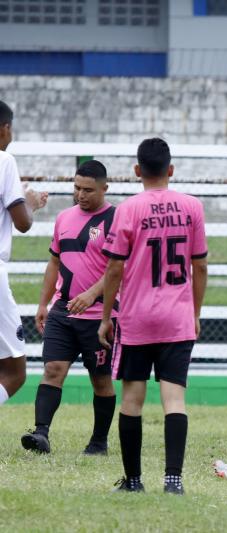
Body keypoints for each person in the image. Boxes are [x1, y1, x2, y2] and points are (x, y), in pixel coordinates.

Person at [98, 138, 208, 495]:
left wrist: (105, 317)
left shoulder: (127, 209)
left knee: (132, 399)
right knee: (174, 399)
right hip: (177, 318)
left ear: (137, 171)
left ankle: (133, 481)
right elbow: (200, 265)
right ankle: (173, 479)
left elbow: (115, 267)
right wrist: (195, 312)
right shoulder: (192, 207)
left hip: (137, 318)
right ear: (171, 170)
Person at [21, 160, 117, 455]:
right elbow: (54, 262)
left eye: (88, 189)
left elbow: (119, 268)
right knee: (52, 369)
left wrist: (91, 294)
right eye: (76, 188)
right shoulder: (63, 218)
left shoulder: (117, 218)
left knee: (100, 380)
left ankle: (99, 442)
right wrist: (43, 302)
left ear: (104, 188)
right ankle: (41, 434)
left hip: (100, 315)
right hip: (63, 311)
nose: (81, 195)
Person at [0, 100, 48, 407]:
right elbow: (22, 222)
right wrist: (30, 202)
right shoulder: (4, 161)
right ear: (4, 128)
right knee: (15, 371)